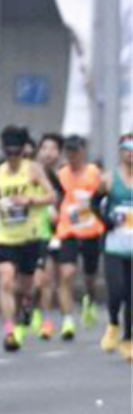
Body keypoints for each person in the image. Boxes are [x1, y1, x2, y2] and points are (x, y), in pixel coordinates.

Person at [0, 126, 55, 351]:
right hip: (6, 236)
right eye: (9, 153)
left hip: (29, 237)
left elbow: (52, 196)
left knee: (27, 286)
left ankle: (25, 306)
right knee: (6, 280)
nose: (13, 157)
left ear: (22, 151)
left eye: (16, 152)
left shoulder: (33, 170)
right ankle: (9, 330)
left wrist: (30, 201)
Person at [54, 134, 107, 342]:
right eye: (68, 151)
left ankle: (90, 298)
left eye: (75, 151)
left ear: (83, 152)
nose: (72, 156)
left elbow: (103, 195)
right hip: (68, 230)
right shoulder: (61, 174)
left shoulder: (94, 173)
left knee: (90, 276)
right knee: (66, 273)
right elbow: (56, 196)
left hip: (91, 230)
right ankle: (68, 320)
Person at [102, 135, 133, 358]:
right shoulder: (109, 179)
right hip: (114, 245)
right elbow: (93, 203)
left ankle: (128, 339)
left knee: (131, 295)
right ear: (120, 151)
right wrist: (106, 221)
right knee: (116, 290)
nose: (131, 153)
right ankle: (113, 323)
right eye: (127, 148)